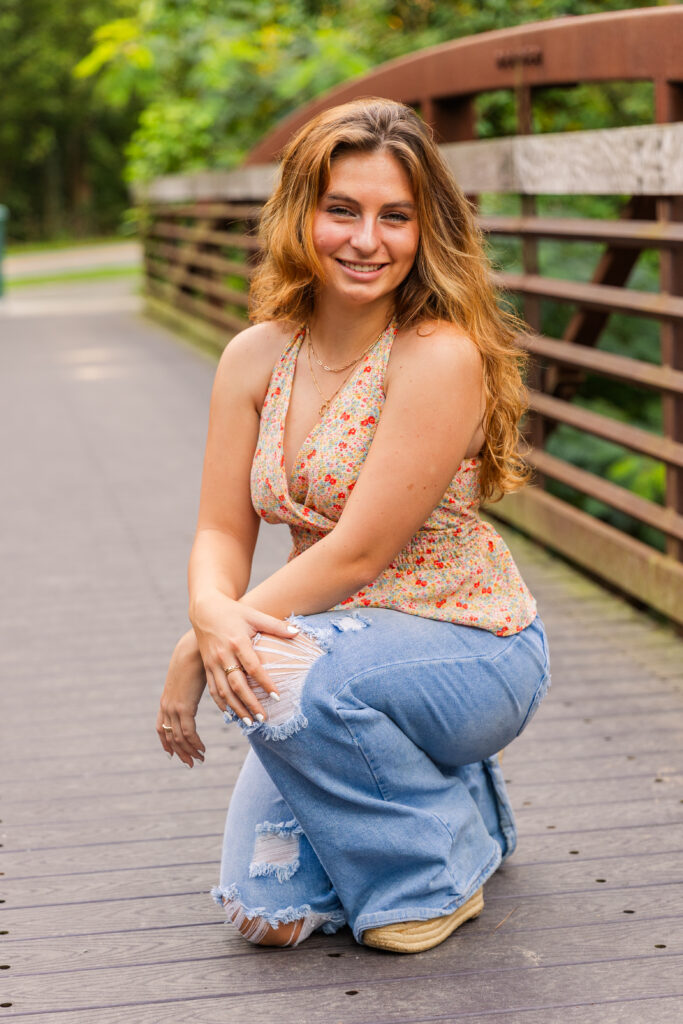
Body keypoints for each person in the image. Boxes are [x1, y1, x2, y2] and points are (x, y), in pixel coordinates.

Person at [156, 97, 550, 954]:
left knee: (274, 669)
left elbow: (362, 549)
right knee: (268, 916)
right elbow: (221, 531)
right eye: (342, 210)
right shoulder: (256, 355)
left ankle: (432, 876)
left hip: (466, 645)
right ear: (301, 213)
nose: (365, 240)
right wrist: (208, 607)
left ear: (423, 230)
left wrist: (206, 642)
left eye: (394, 216)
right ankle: (457, 803)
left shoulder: (435, 353)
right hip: (329, 648)